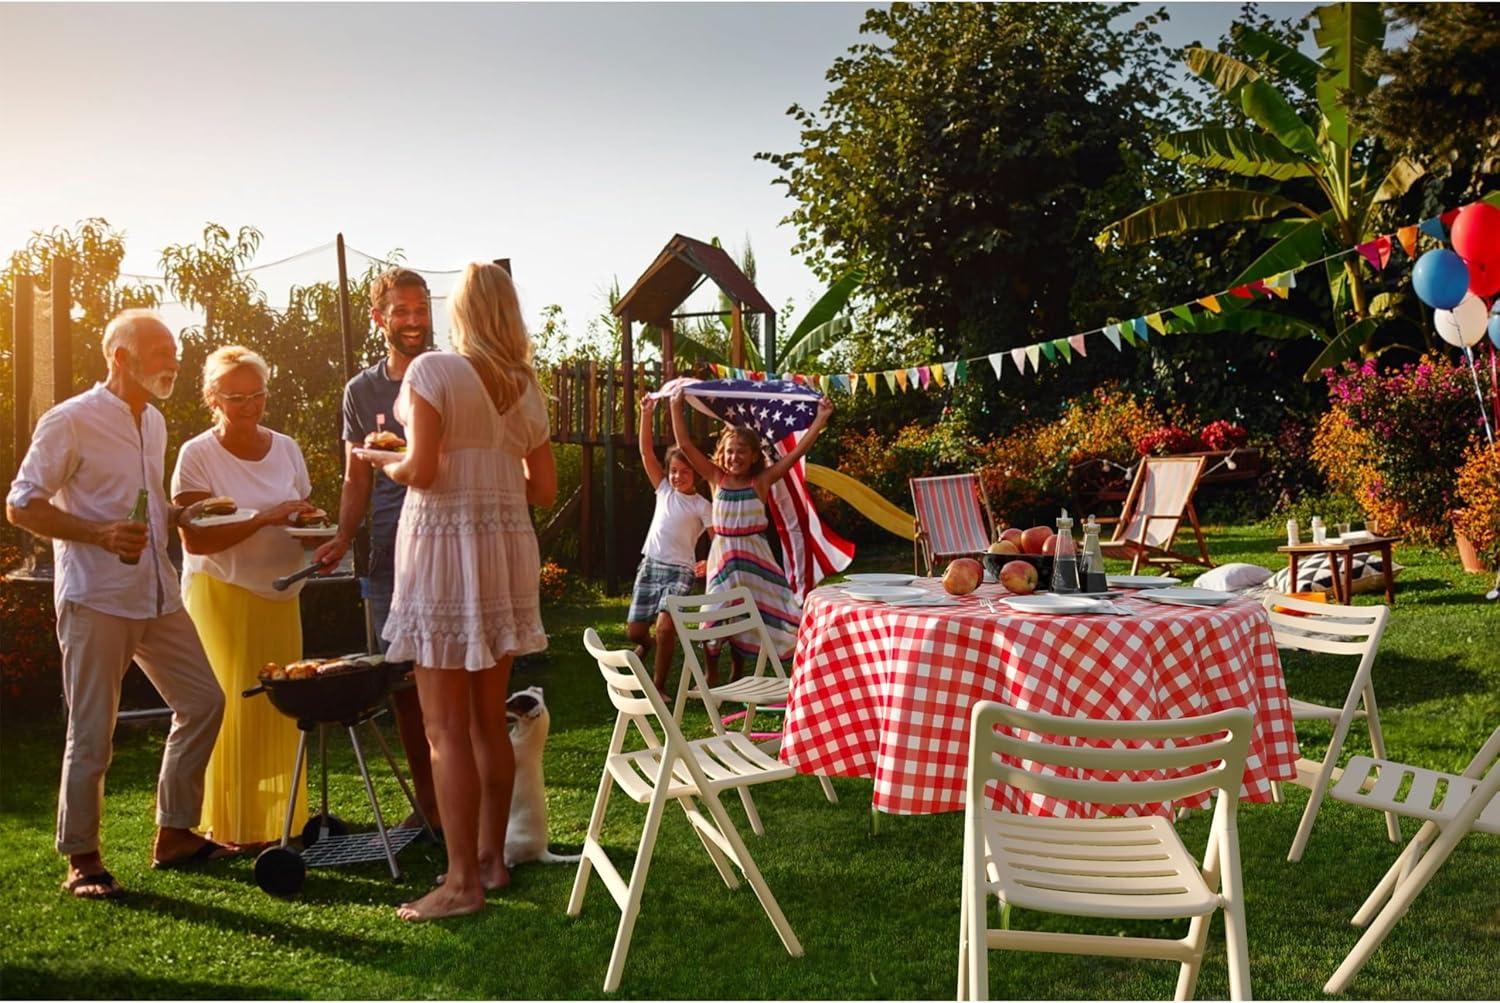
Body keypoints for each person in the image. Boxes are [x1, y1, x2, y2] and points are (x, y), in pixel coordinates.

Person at [6, 309, 229, 899]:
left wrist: (182, 514)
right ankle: (82, 858)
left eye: (174, 350)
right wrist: (99, 534)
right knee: (93, 732)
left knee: (205, 701)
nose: (172, 360)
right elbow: (22, 505)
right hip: (96, 597)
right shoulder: (70, 420)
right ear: (120, 357)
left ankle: (175, 834)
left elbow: (145, 502)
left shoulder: (153, 421)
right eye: (160, 351)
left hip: (156, 592)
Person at [366, 261, 555, 921]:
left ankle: (459, 883)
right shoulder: (527, 387)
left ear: (462, 312)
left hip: (445, 550)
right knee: (485, 722)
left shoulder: (432, 371)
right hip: (505, 550)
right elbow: (545, 490)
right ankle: (493, 863)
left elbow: (417, 468)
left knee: (445, 727)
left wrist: (378, 460)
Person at [172, 346, 320, 848]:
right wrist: (264, 518)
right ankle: (229, 823)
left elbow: (297, 511)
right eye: (236, 397)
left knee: (280, 704)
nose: (249, 405)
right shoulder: (197, 454)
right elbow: (195, 539)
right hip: (223, 594)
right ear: (213, 397)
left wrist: (310, 527)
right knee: (231, 706)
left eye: (256, 394)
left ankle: (278, 823)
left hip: (281, 593)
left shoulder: (286, 447)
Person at [312, 267, 439, 833]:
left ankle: (476, 806)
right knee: (405, 685)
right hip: (388, 554)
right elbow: (354, 478)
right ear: (379, 317)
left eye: (421, 309)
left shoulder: (450, 372)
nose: (413, 321)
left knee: (456, 678)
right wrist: (342, 536)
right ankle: (431, 807)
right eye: (402, 311)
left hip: (446, 542)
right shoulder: (360, 392)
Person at [668, 388, 832, 673]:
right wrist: (675, 405)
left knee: (754, 614)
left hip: (756, 560)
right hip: (723, 558)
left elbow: (795, 454)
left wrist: (819, 420)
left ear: (755, 455)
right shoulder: (716, 478)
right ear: (722, 454)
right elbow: (684, 443)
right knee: (714, 613)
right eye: (730, 451)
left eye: (742, 452)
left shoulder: (761, 481)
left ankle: (739, 669)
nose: (735, 457)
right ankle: (710, 672)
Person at [627, 395, 711, 695]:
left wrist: (711, 562)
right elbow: (645, 451)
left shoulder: (702, 506)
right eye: (674, 470)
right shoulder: (663, 490)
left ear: (696, 476)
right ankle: (646, 646)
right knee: (635, 632)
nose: (677, 476)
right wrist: (647, 413)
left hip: (680, 571)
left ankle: (658, 685)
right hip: (650, 565)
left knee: (665, 628)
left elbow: (718, 537)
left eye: (685, 472)